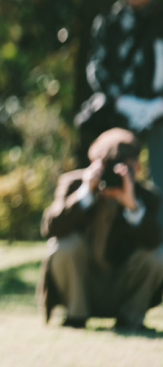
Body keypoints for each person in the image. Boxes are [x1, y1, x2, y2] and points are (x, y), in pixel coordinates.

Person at [37, 128, 163, 331]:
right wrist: (85, 193)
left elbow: (155, 242)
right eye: (108, 165)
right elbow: (49, 227)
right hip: (81, 285)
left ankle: (131, 318)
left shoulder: (147, 196)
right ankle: (76, 316)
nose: (114, 173)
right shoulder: (74, 184)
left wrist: (133, 207)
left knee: (158, 255)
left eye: (122, 167)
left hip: (121, 286)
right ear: (93, 164)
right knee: (62, 245)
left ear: (137, 168)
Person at [76, 0, 163, 197]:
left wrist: (157, 106)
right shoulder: (109, 23)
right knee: (110, 175)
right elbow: (96, 67)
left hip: (160, 112)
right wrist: (122, 101)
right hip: (117, 111)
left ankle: (158, 233)